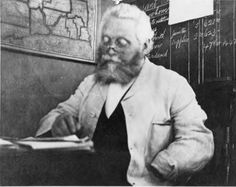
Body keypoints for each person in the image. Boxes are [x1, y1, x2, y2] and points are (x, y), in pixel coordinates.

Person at [36, 3, 214, 186]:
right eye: (106, 40)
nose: (110, 49)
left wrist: (166, 163)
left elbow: (198, 140)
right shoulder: (91, 83)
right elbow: (57, 114)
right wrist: (57, 123)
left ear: (146, 46)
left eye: (121, 41)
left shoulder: (172, 84)